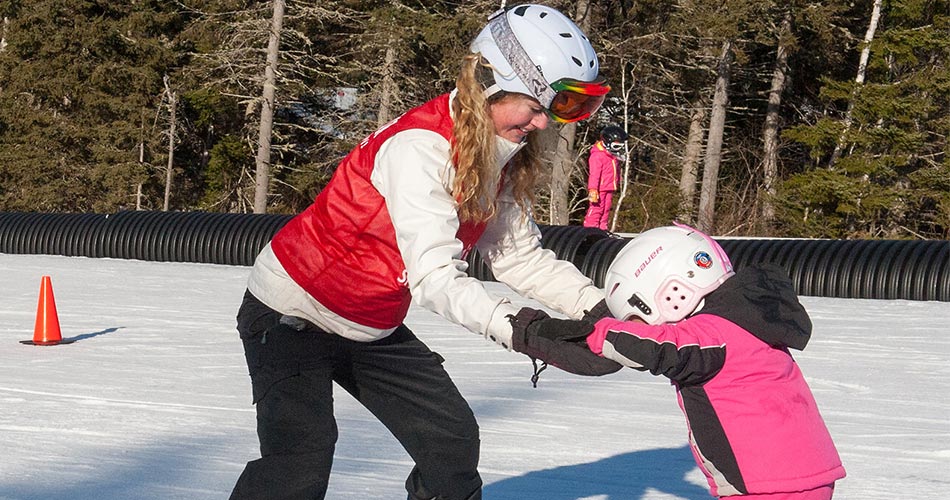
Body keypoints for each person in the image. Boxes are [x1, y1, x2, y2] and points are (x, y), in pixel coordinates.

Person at [229, 5, 620, 500]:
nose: (543, 123)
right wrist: (525, 330)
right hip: (292, 311)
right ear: (492, 84)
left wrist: (601, 310)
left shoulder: (494, 153)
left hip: (370, 323)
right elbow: (434, 277)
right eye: (537, 106)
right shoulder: (420, 148)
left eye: (559, 110)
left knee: (450, 442)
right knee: (299, 456)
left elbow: (517, 256)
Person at [509, 223, 846, 500]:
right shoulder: (748, 320)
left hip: (766, 484)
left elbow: (658, 348)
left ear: (672, 292)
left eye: (639, 316)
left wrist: (591, 332)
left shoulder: (713, 334)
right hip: (804, 475)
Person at [582, 124, 628, 230]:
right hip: (599, 189)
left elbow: (614, 171)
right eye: (616, 146)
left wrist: (617, 181)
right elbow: (594, 174)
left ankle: (603, 228)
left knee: (606, 210)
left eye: (620, 147)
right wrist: (593, 189)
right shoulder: (598, 156)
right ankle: (590, 228)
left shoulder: (612, 156)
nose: (617, 150)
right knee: (597, 209)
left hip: (609, 187)